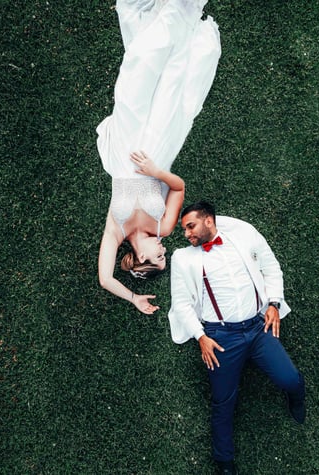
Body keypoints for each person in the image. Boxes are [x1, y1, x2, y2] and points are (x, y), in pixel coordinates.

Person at [97, 0, 221, 315]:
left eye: (159, 256)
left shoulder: (116, 232)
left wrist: (133, 298)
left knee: (136, 80)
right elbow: (178, 186)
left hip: (124, 154)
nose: (164, 249)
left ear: (141, 258)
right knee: (171, 87)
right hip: (156, 155)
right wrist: (155, 170)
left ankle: (158, 20)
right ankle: (181, 9)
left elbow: (104, 279)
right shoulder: (162, 227)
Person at [168, 201, 306, 475]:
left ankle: (296, 397)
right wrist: (200, 337)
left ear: (208, 221)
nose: (187, 234)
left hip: (257, 328)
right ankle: (224, 461)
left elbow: (272, 268)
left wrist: (274, 303)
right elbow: (181, 304)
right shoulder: (183, 258)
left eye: (190, 227)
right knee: (222, 400)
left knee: (290, 378)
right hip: (220, 337)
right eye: (184, 230)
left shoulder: (243, 237)